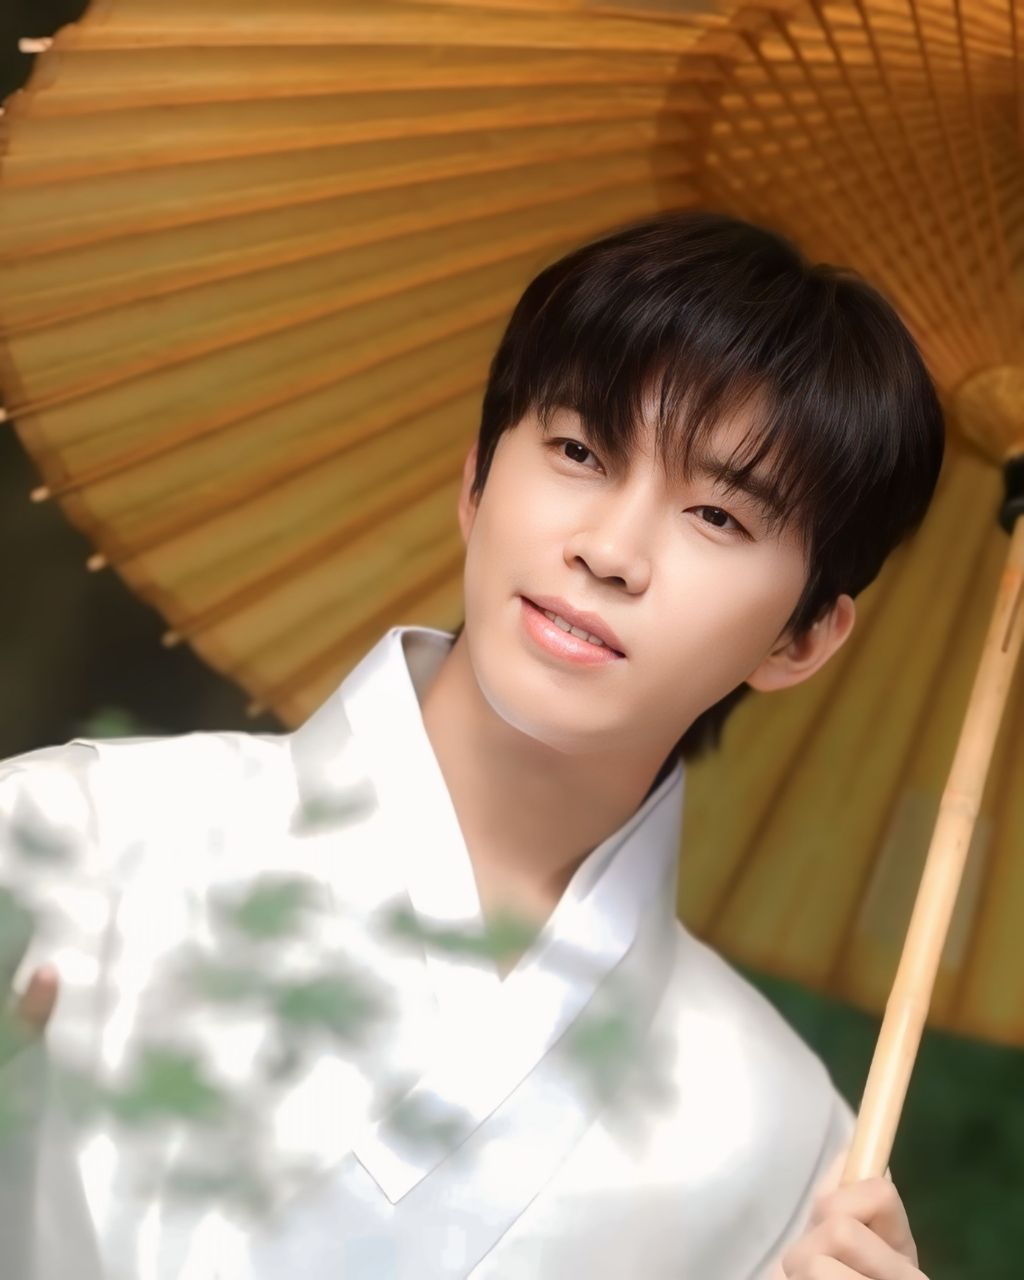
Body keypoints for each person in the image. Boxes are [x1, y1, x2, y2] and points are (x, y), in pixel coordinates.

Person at [0, 209, 941, 1279]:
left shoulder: (786, 1151)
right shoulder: (69, 838)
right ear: (476, 480)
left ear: (802, 637)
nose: (610, 550)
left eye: (718, 517)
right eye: (579, 451)